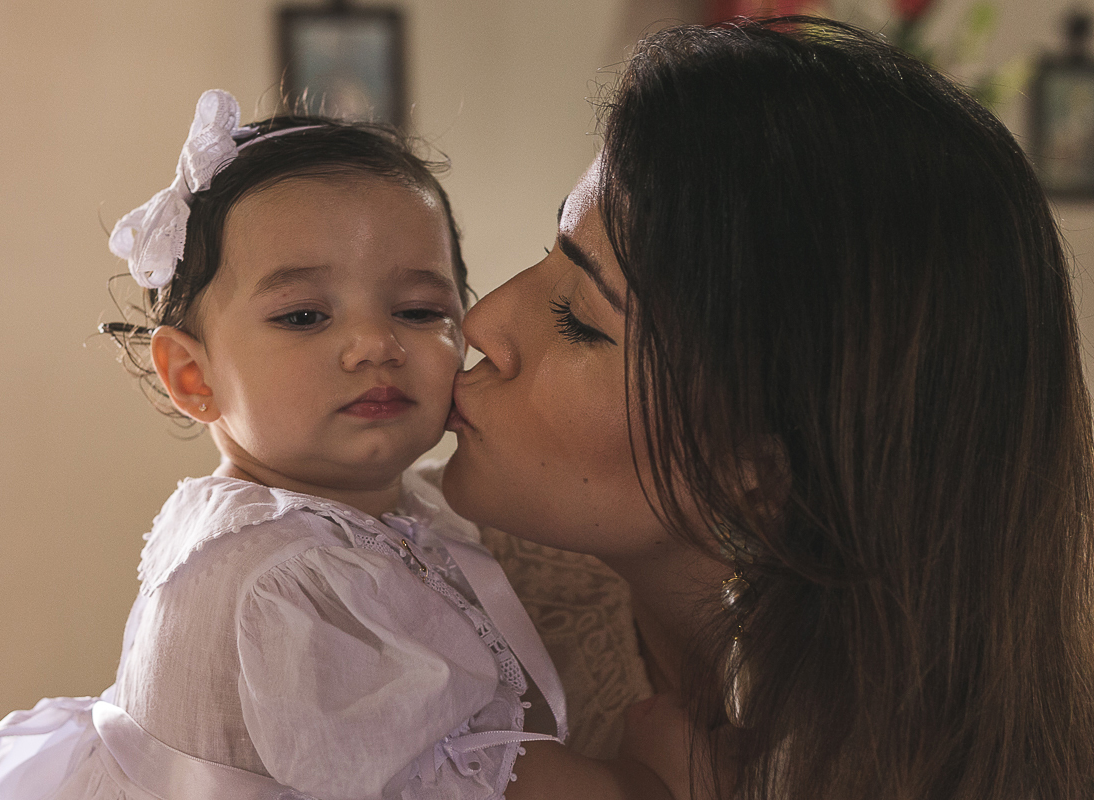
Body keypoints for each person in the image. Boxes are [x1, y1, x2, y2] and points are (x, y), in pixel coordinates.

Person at [0, 90, 681, 800]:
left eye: (420, 309)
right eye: (304, 317)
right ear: (193, 377)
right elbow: (472, 779)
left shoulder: (369, 516)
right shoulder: (288, 575)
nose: (374, 344)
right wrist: (651, 779)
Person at [443, 17, 1094, 800]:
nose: (482, 322)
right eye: (552, 250)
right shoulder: (385, 594)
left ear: (760, 468)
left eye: (580, 316)